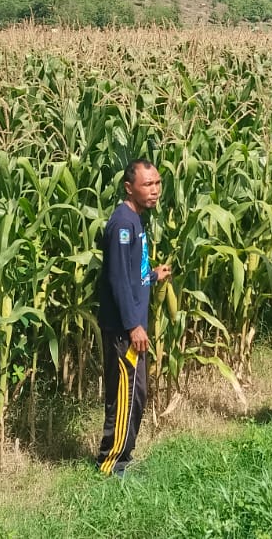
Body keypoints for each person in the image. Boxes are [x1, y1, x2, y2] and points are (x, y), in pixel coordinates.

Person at [95, 159, 171, 476]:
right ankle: (112, 463)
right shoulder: (123, 225)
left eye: (157, 183)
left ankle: (121, 458)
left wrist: (152, 275)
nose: (154, 190)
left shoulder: (135, 220)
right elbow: (117, 280)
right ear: (129, 188)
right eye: (147, 184)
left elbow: (130, 273)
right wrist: (133, 325)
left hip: (130, 325)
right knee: (126, 396)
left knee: (135, 394)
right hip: (124, 329)